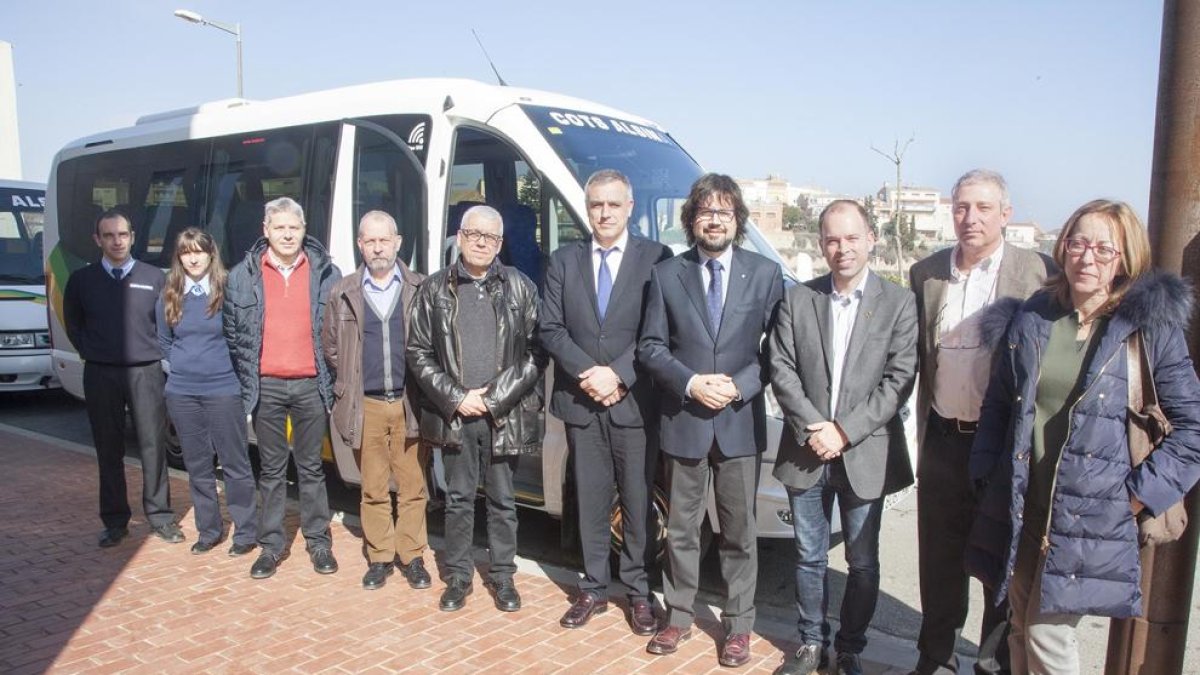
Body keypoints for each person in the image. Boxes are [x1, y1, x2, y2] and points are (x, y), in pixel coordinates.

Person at [966, 200, 1200, 674]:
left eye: (1103, 249)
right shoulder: (1036, 315)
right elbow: (1000, 402)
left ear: (1125, 257)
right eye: (1077, 243)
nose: (1086, 258)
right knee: (1018, 629)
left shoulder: (1147, 328)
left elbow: (1192, 430)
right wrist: (987, 467)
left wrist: (1134, 497)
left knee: (1046, 637)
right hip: (1024, 504)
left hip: (1090, 515)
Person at [908, 169, 1055, 675]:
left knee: (998, 560)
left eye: (983, 208)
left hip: (1002, 446)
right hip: (943, 439)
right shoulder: (926, 273)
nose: (970, 218)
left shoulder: (1038, 272)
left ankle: (992, 665)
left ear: (1006, 214)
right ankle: (936, 659)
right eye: (961, 207)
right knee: (938, 561)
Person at [637, 173, 784, 668]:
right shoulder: (667, 275)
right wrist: (691, 383)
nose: (714, 220)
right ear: (691, 220)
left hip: (739, 422)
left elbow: (776, 351)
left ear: (738, 219)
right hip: (685, 418)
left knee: (739, 532)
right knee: (682, 529)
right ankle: (678, 616)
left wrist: (739, 385)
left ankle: (738, 626)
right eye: (705, 211)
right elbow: (651, 347)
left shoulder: (764, 274)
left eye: (724, 211)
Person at [769, 201, 918, 675]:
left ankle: (851, 648)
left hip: (864, 452)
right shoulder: (798, 299)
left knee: (862, 561)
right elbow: (781, 367)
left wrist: (844, 431)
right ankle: (811, 643)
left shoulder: (898, 303)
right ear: (821, 244)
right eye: (832, 239)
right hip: (807, 449)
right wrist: (816, 427)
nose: (842, 248)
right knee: (809, 557)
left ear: (871, 238)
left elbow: (899, 379)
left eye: (852, 238)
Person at [540, 169, 673, 634]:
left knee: (637, 501)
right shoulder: (563, 260)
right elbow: (550, 328)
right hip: (582, 403)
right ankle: (594, 587)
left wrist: (617, 373)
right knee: (590, 499)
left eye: (614, 204)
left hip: (634, 402)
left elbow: (659, 329)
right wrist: (589, 373)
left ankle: (638, 592)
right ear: (587, 207)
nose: (605, 213)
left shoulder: (656, 259)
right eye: (596, 204)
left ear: (630, 207)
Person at [406, 205, 544, 613]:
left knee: (503, 502)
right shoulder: (434, 289)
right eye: (474, 234)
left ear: (500, 243)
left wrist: (494, 397)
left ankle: (503, 577)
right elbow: (418, 352)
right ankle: (459, 577)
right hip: (456, 415)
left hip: (503, 414)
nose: (482, 243)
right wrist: (456, 397)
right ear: (460, 236)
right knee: (458, 500)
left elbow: (537, 352)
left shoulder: (521, 287)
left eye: (491, 237)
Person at [224, 197, 341, 579]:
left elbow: (337, 331)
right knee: (272, 471)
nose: (287, 235)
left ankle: (318, 542)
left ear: (304, 230)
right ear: (266, 230)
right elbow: (233, 334)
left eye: (294, 227)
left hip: (310, 385)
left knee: (311, 469)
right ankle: (271, 546)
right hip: (267, 387)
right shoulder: (243, 275)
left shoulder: (327, 273)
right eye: (280, 228)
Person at [322, 211, 429, 591]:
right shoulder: (343, 292)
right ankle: (381, 556)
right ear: (360, 245)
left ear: (397, 242)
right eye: (370, 241)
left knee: (413, 486)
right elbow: (331, 348)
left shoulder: (419, 288)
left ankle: (412, 556)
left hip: (408, 403)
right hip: (365, 405)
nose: (378, 248)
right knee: (373, 488)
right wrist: (352, 381)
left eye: (385, 240)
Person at [63, 209, 182, 548]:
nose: (117, 241)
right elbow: (74, 324)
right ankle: (115, 521)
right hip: (101, 373)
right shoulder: (82, 280)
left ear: (132, 237)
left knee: (153, 446)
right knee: (108, 447)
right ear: (97, 240)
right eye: (109, 235)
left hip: (146, 372)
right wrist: (93, 350)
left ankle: (160, 517)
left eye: (123, 234)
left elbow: (168, 323)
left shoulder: (154, 277)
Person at [156, 228, 257, 556]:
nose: (193, 258)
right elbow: (164, 342)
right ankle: (209, 531)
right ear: (179, 257)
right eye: (186, 252)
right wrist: (183, 367)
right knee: (198, 466)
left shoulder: (228, 290)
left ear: (211, 253)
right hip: (183, 393)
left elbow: (242, 340)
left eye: (199, 251)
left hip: (223, 389)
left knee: (235, 463)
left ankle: (245, 532)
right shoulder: (170, 293)